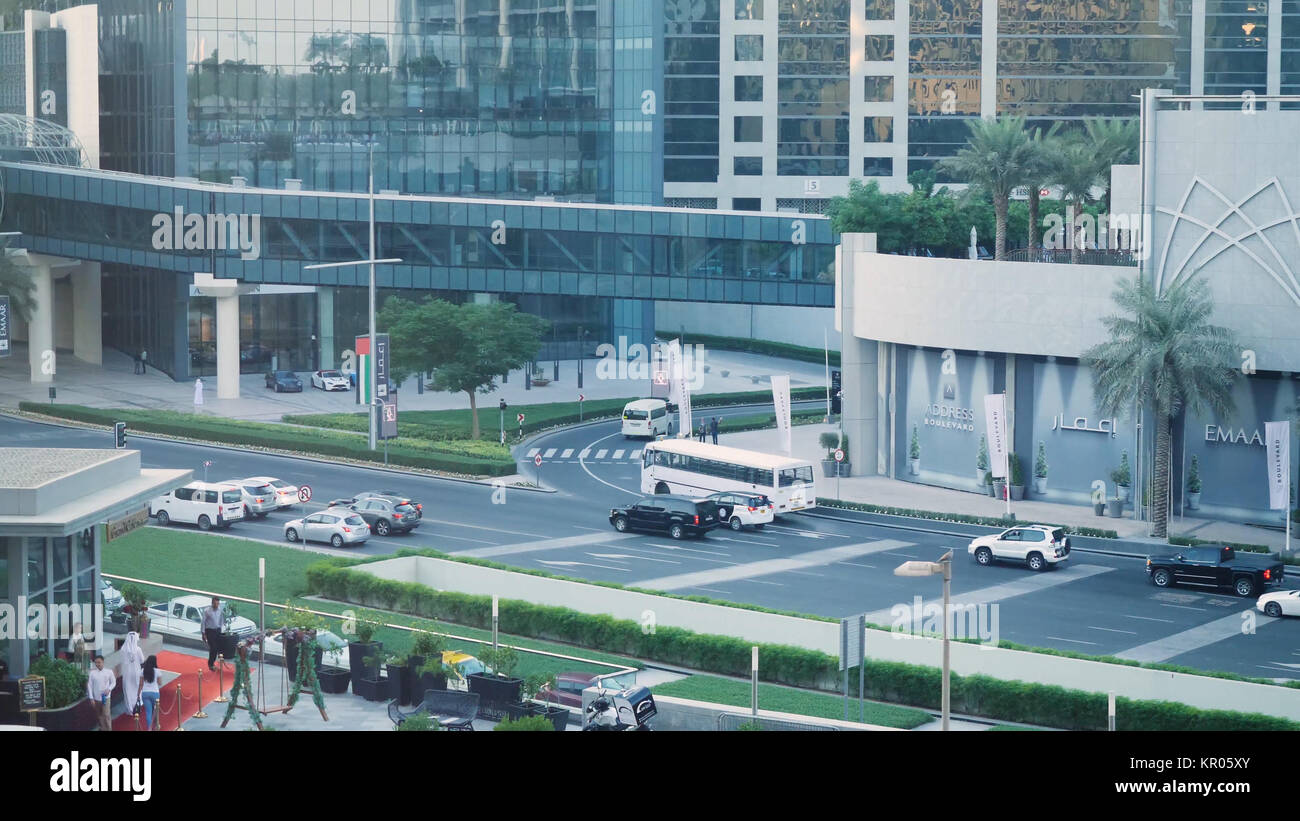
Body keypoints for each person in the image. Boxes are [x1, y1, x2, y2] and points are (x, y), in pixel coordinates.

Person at [87, 655, 116, 731]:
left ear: (103, 662)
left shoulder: (109, 672)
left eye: (99, 662)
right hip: (96, 699)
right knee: (99, 715)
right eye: (96, 662)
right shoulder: (92, 673)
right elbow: (89, 685)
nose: (97, 664)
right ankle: (102, 728)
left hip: (106, 698)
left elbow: (113, 682)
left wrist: (109, 689)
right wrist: (91, 698)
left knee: (106, 715)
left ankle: (109, 729)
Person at [119, 632, 143, 717]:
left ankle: (130, 709)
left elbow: (122, 660)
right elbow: (142, 660)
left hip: (127, 673)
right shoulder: (138, 649)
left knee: (128, 690)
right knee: (137, 688)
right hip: (136, 672)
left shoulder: (123, 649)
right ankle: (137, 705)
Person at [136, 655, 161, 731]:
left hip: (145, 693)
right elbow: (159, 683)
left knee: (148, 712)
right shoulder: (157, 671)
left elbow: (140, 684)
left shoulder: (143, 670)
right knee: (155, 710)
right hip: (155, 693)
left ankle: (149, 729)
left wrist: (138, 694)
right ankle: (156, 726)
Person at [201, 597, 224, 671]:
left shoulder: (220, 610)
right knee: (213, 648)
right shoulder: (207, 611)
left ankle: (215, 662)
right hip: (209, 631)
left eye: (217, 603)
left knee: (217, 648)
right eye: (215, 603)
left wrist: (220, 628)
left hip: (217, 631)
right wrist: (203, 633)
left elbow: (221, 619)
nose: (216, 605)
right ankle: (210, 664)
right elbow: (203, 622)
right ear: (212, 603)